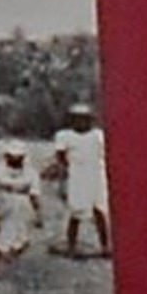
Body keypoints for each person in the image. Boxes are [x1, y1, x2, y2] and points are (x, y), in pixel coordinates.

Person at [51, 103, 111, 257]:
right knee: (76, 212)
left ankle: (105, 246)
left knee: (100, 211)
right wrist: (62, 181)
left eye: (84, 119)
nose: (81, 123)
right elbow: (61, 159)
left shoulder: (99, 135)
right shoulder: (64, 136)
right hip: (78, 176)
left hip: (96, 175)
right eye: (77, 119)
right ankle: (71, 245)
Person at [0, 140, 44, 263]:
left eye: (18, 157)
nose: (15, 159)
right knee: (1, 234)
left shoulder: (31, 173)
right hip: (2, 205)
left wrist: (39, 215)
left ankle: (12, 253)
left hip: (23, 207)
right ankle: (1, 253)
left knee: (21, 236)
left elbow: (34, 195)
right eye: (11, 156)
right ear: (6, 156)